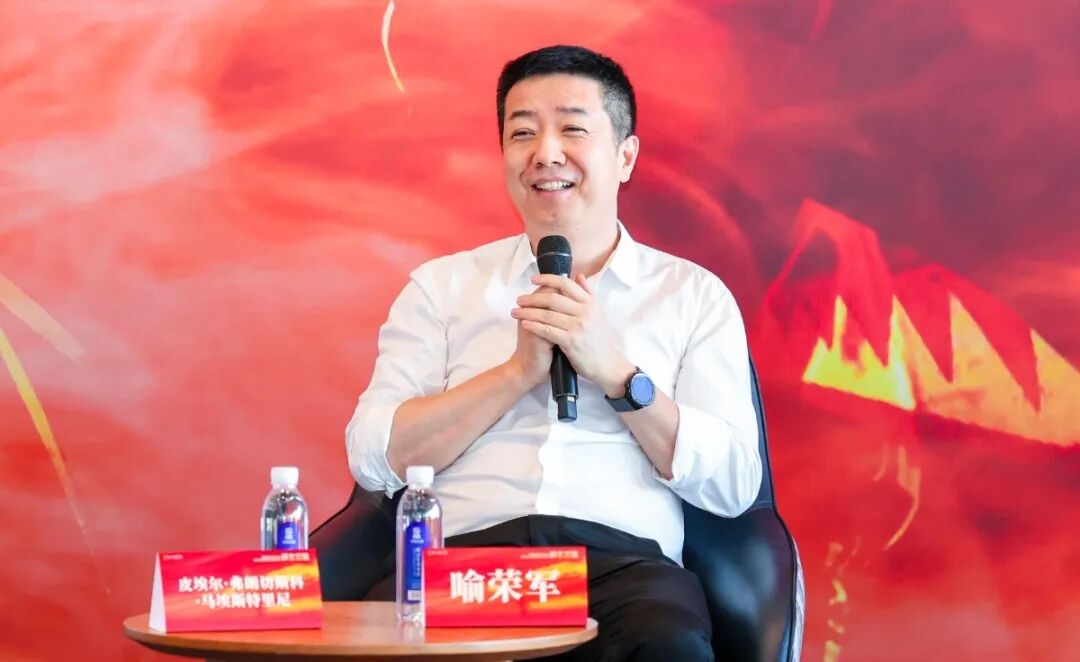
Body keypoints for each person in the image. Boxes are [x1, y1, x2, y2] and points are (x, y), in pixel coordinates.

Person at [346, 44, 761, 661]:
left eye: (572, 129)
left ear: (625, 156)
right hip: (462, 568)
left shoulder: (692, 295)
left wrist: (619, 376)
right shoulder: (442, 288)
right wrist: (514, 374)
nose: (545, 153)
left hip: (621, 571)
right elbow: (374, 456)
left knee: (667, 646)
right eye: (522, 133)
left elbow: (734, 484)